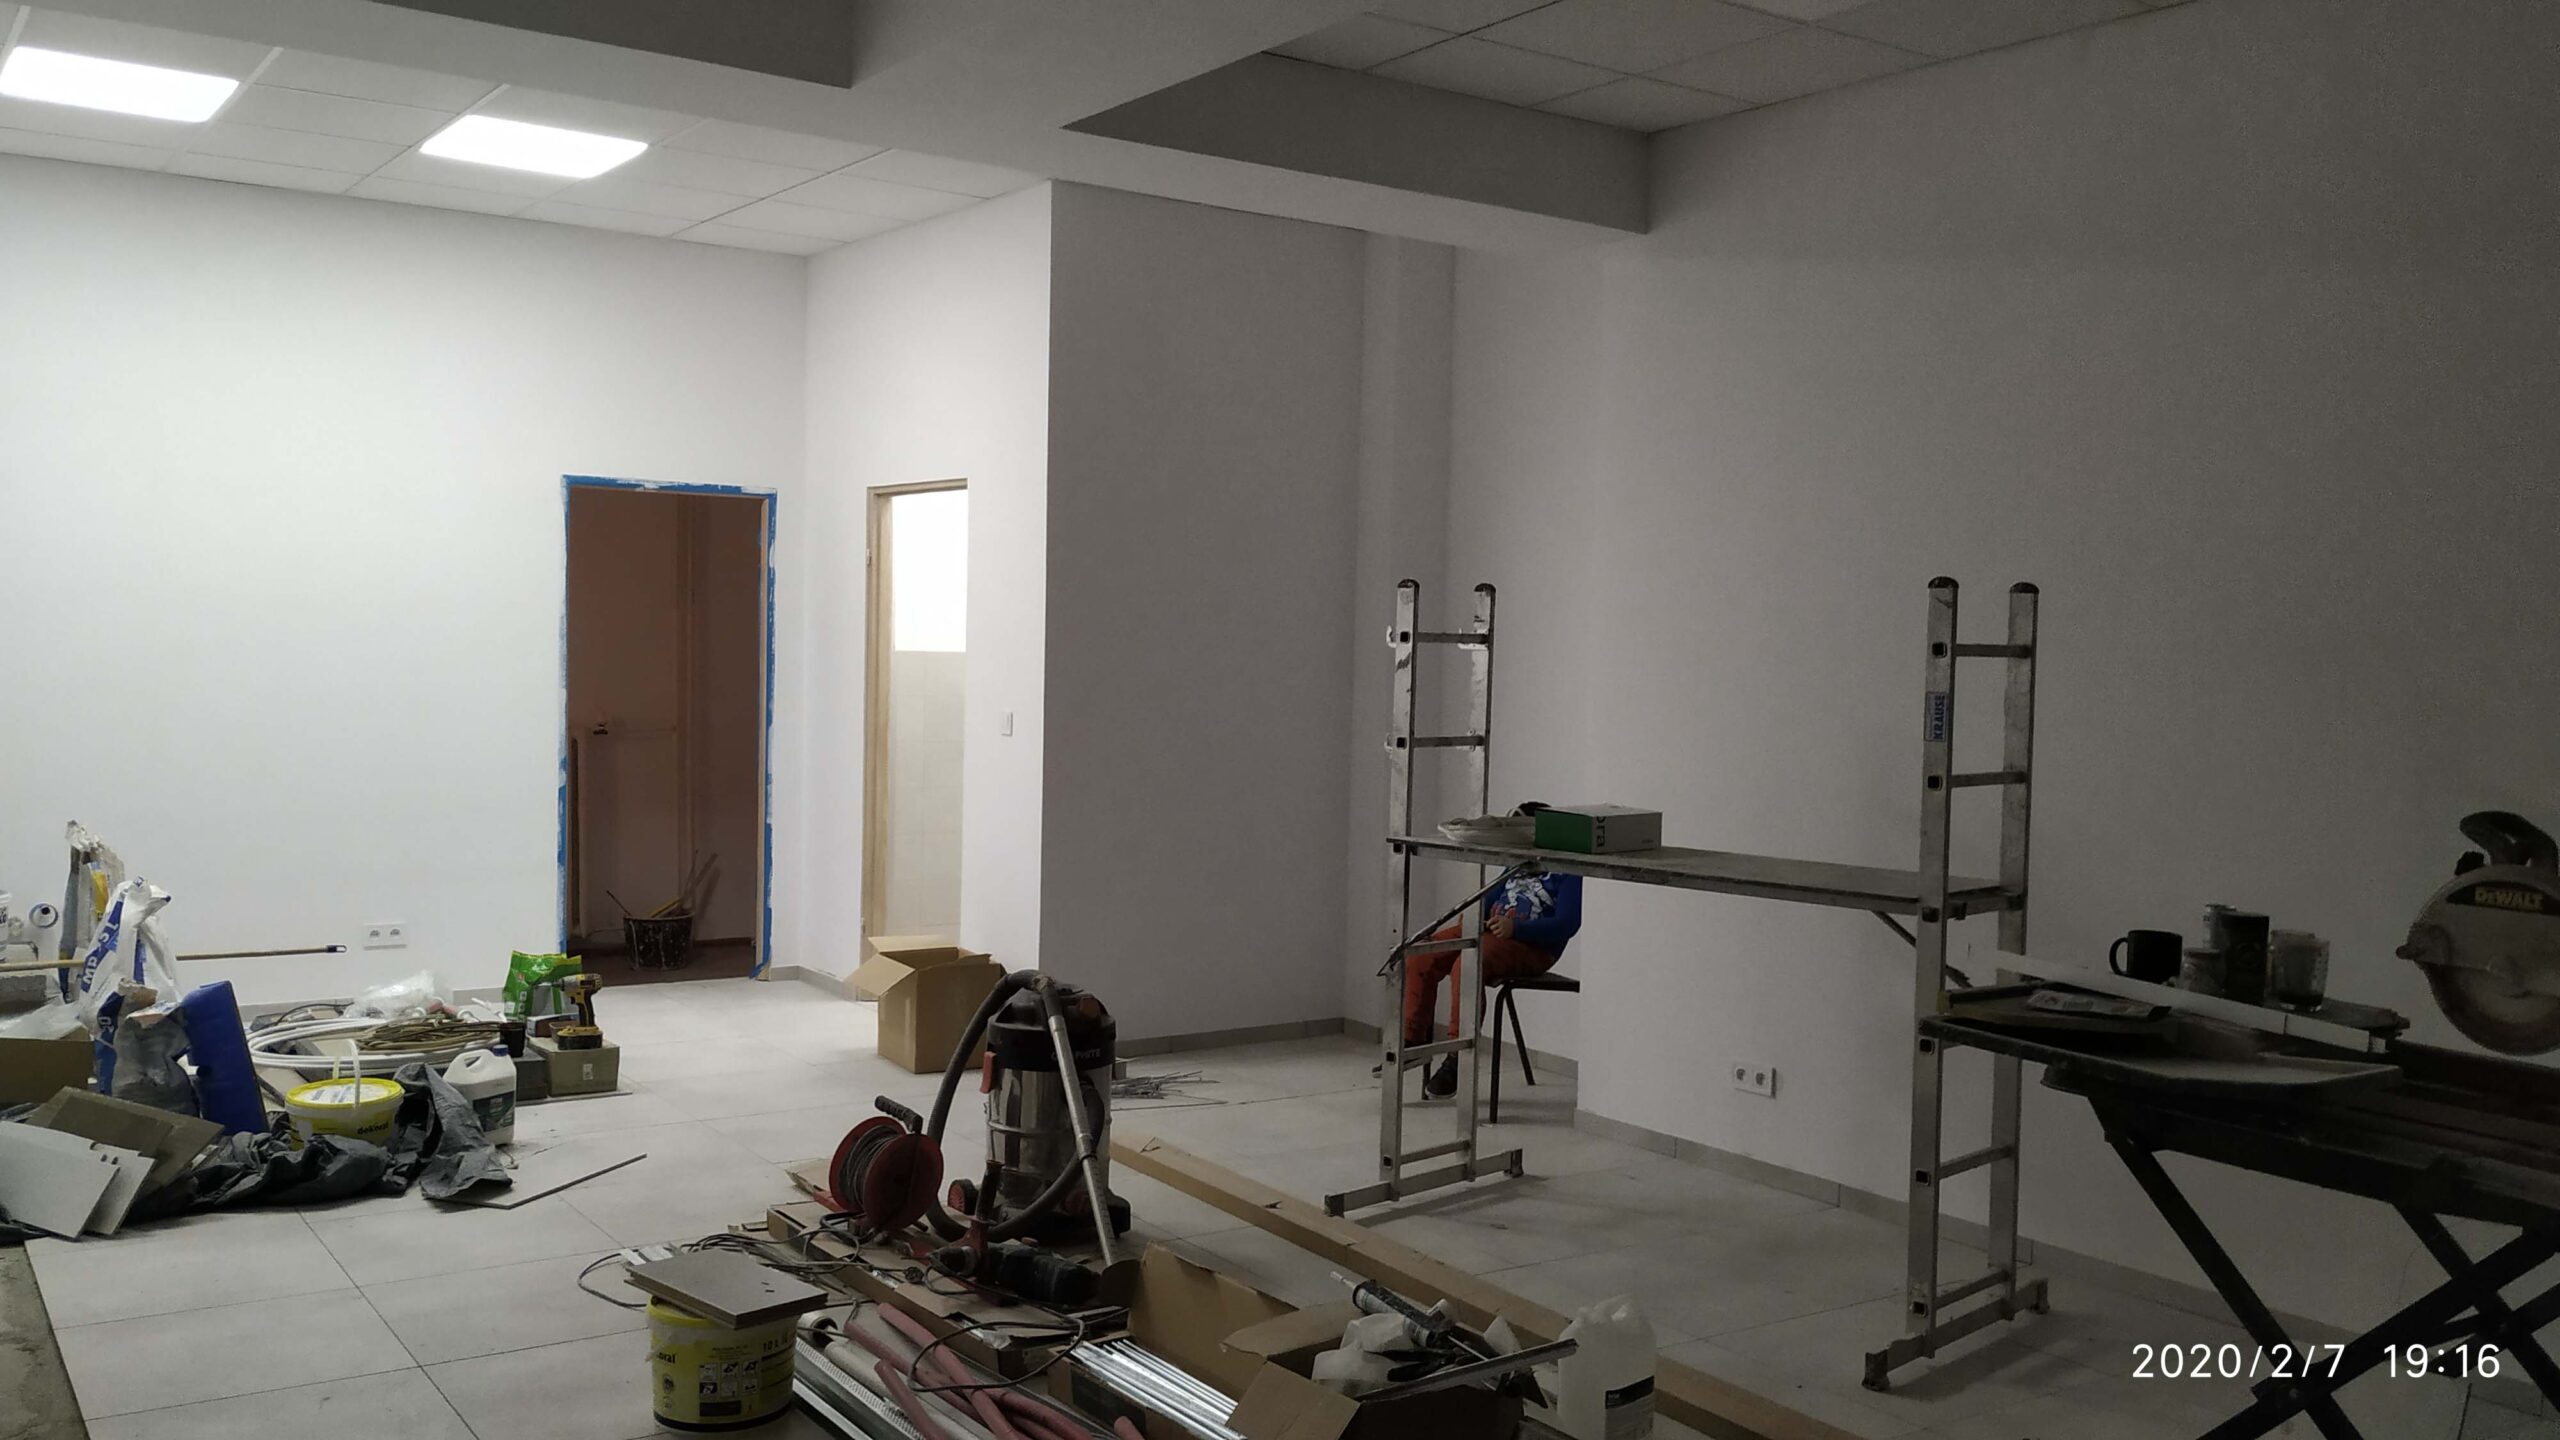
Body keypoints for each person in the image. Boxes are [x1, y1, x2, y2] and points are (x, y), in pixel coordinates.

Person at [1399, 854, 1583, 1100]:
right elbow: (1488, 897)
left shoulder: (1570, 871)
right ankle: (1413, 1041)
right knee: (1421, 954)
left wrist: (1516, 928)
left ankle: (1459, 1057)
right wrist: (1474, 917)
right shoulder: (1519, 862)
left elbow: (1567, 924)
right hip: (1492, 932)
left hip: (1532, 947)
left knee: (1468, 964)